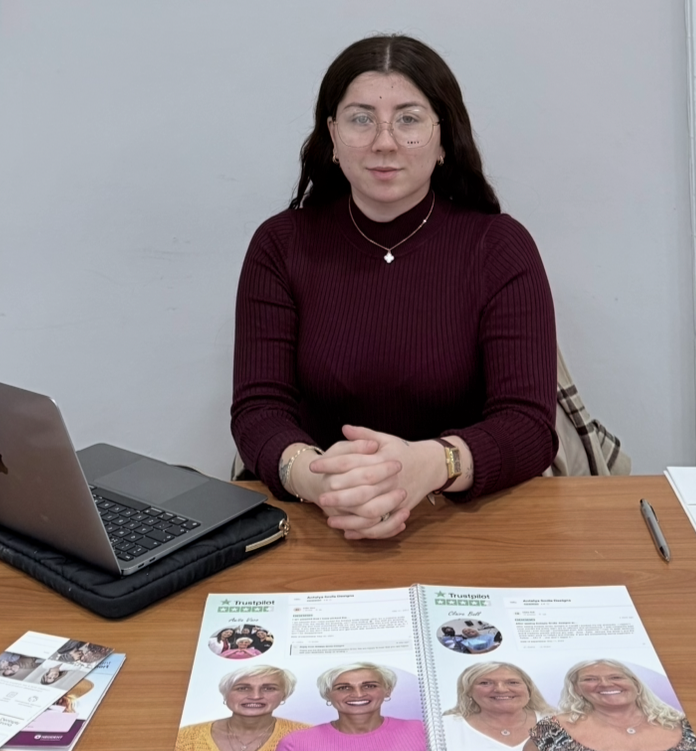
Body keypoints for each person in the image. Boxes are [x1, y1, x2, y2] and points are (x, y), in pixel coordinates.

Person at [232, 34, 559, 541]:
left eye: (408, 119)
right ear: (333, 137)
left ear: (444, 138)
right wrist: (324, 483)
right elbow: (259, 410)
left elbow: (529, 425)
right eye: (361, 119)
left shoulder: (499, 247)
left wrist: (428, 465)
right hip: (317, 524)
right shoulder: (281, 244)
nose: (384, 141)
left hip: (465, 525)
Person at [522, 659, 696, 751]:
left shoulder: (686, 724)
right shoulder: (550, 729)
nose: (605, 684)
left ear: (636, 684)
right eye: (590, 679)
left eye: (616, 677)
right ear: (576, 689)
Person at [274, 664, 427, 751]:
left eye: (369, 686)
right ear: (328, 695)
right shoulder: (295, 743)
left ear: (387, 691)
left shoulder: (423, 730)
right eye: (344, 688)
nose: (358, 694)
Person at [172, 664, 308, 751]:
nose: (255, 696)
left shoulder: (307, 735)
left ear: (284, 695)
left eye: (269, 688)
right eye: (242, 688)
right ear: (226, 694)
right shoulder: (184, 737)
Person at [442, 661, 554, 751]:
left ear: (529, 690)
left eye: (513, 682)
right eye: (485, 683)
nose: (501, 689)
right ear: (468, 691)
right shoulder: (442, 727)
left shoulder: (560, 723)